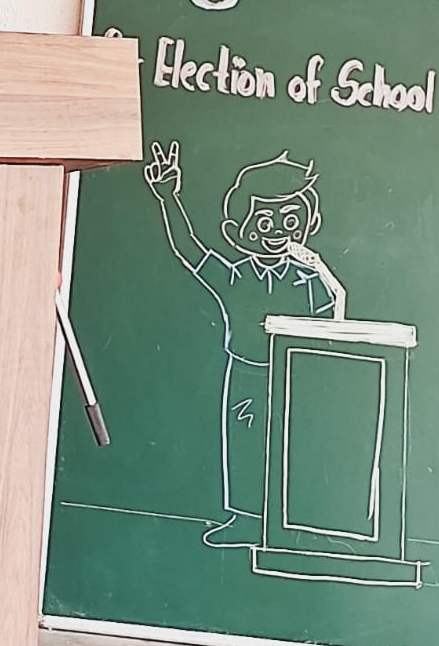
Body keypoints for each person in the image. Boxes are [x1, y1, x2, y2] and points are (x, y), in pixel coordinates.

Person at [143, 144, 346, 548]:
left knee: (297, 447)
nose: (278, 232)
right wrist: (168, 199)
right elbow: (190, 250)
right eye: (264, 223)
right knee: (245, 444)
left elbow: (332, 321)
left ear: (309, 224)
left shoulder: (309, 280)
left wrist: (321, 271)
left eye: (291, 220)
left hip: (296, 376)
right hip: (248, 372)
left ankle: (297, 523)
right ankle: (245, 519)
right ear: (239, 233)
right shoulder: (236, 277)